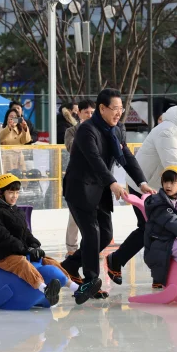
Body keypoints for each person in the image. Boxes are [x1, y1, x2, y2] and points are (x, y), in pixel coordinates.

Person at [106, 97, 177, 286]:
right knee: (150, 228)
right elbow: (173, 164)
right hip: (144, 184)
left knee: (167, 230)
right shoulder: (167, 130)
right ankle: (117, 260)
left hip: (170, 186)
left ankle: (161, 277)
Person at [60, 88, 154, 303]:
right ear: (102, 108)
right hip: (80, 188)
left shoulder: (117, 129)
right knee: (92, 233)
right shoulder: (87, 130)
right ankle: (90, 281)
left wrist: (142, 183)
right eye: (115, 108)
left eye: (121, 109)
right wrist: (112, 183)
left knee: (105, 234)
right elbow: (95, 160)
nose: (119, 113)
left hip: (100, 189)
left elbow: (127, 156)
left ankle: (70, 266)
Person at [0, 174, 80, 305]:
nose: (15, 196)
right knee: (22, 263)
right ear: (0, 193)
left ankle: (76, 288)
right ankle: (44, 289)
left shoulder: (15, 210)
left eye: (17, 192)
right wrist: (25, 250)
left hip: (20, 252)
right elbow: (4, 237)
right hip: (4, 256)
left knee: (48, 261)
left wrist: (35, 246)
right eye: (11, 192)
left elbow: (26, 233)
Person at [63, 99, 96, 256]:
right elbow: (71, 148)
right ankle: (71, 248)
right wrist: (84, 132)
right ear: (79, 113)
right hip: (78, 178)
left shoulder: (100, 130)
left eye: (92, 113)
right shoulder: (71, 131)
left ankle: (94, 245)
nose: (89, 115)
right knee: (74, 215)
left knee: (95, 214)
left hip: (95, 178)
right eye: (86, 112)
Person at [0, 108, 31, 173]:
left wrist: (25, 127)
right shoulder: (2, 129)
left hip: (19, 159)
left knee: (20, 177)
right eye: (11, 117)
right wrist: (9, 127)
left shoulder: (20, 130)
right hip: (6, 160)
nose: (13, 119)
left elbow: (27, 140)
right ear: (7, 118)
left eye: (15, 117)